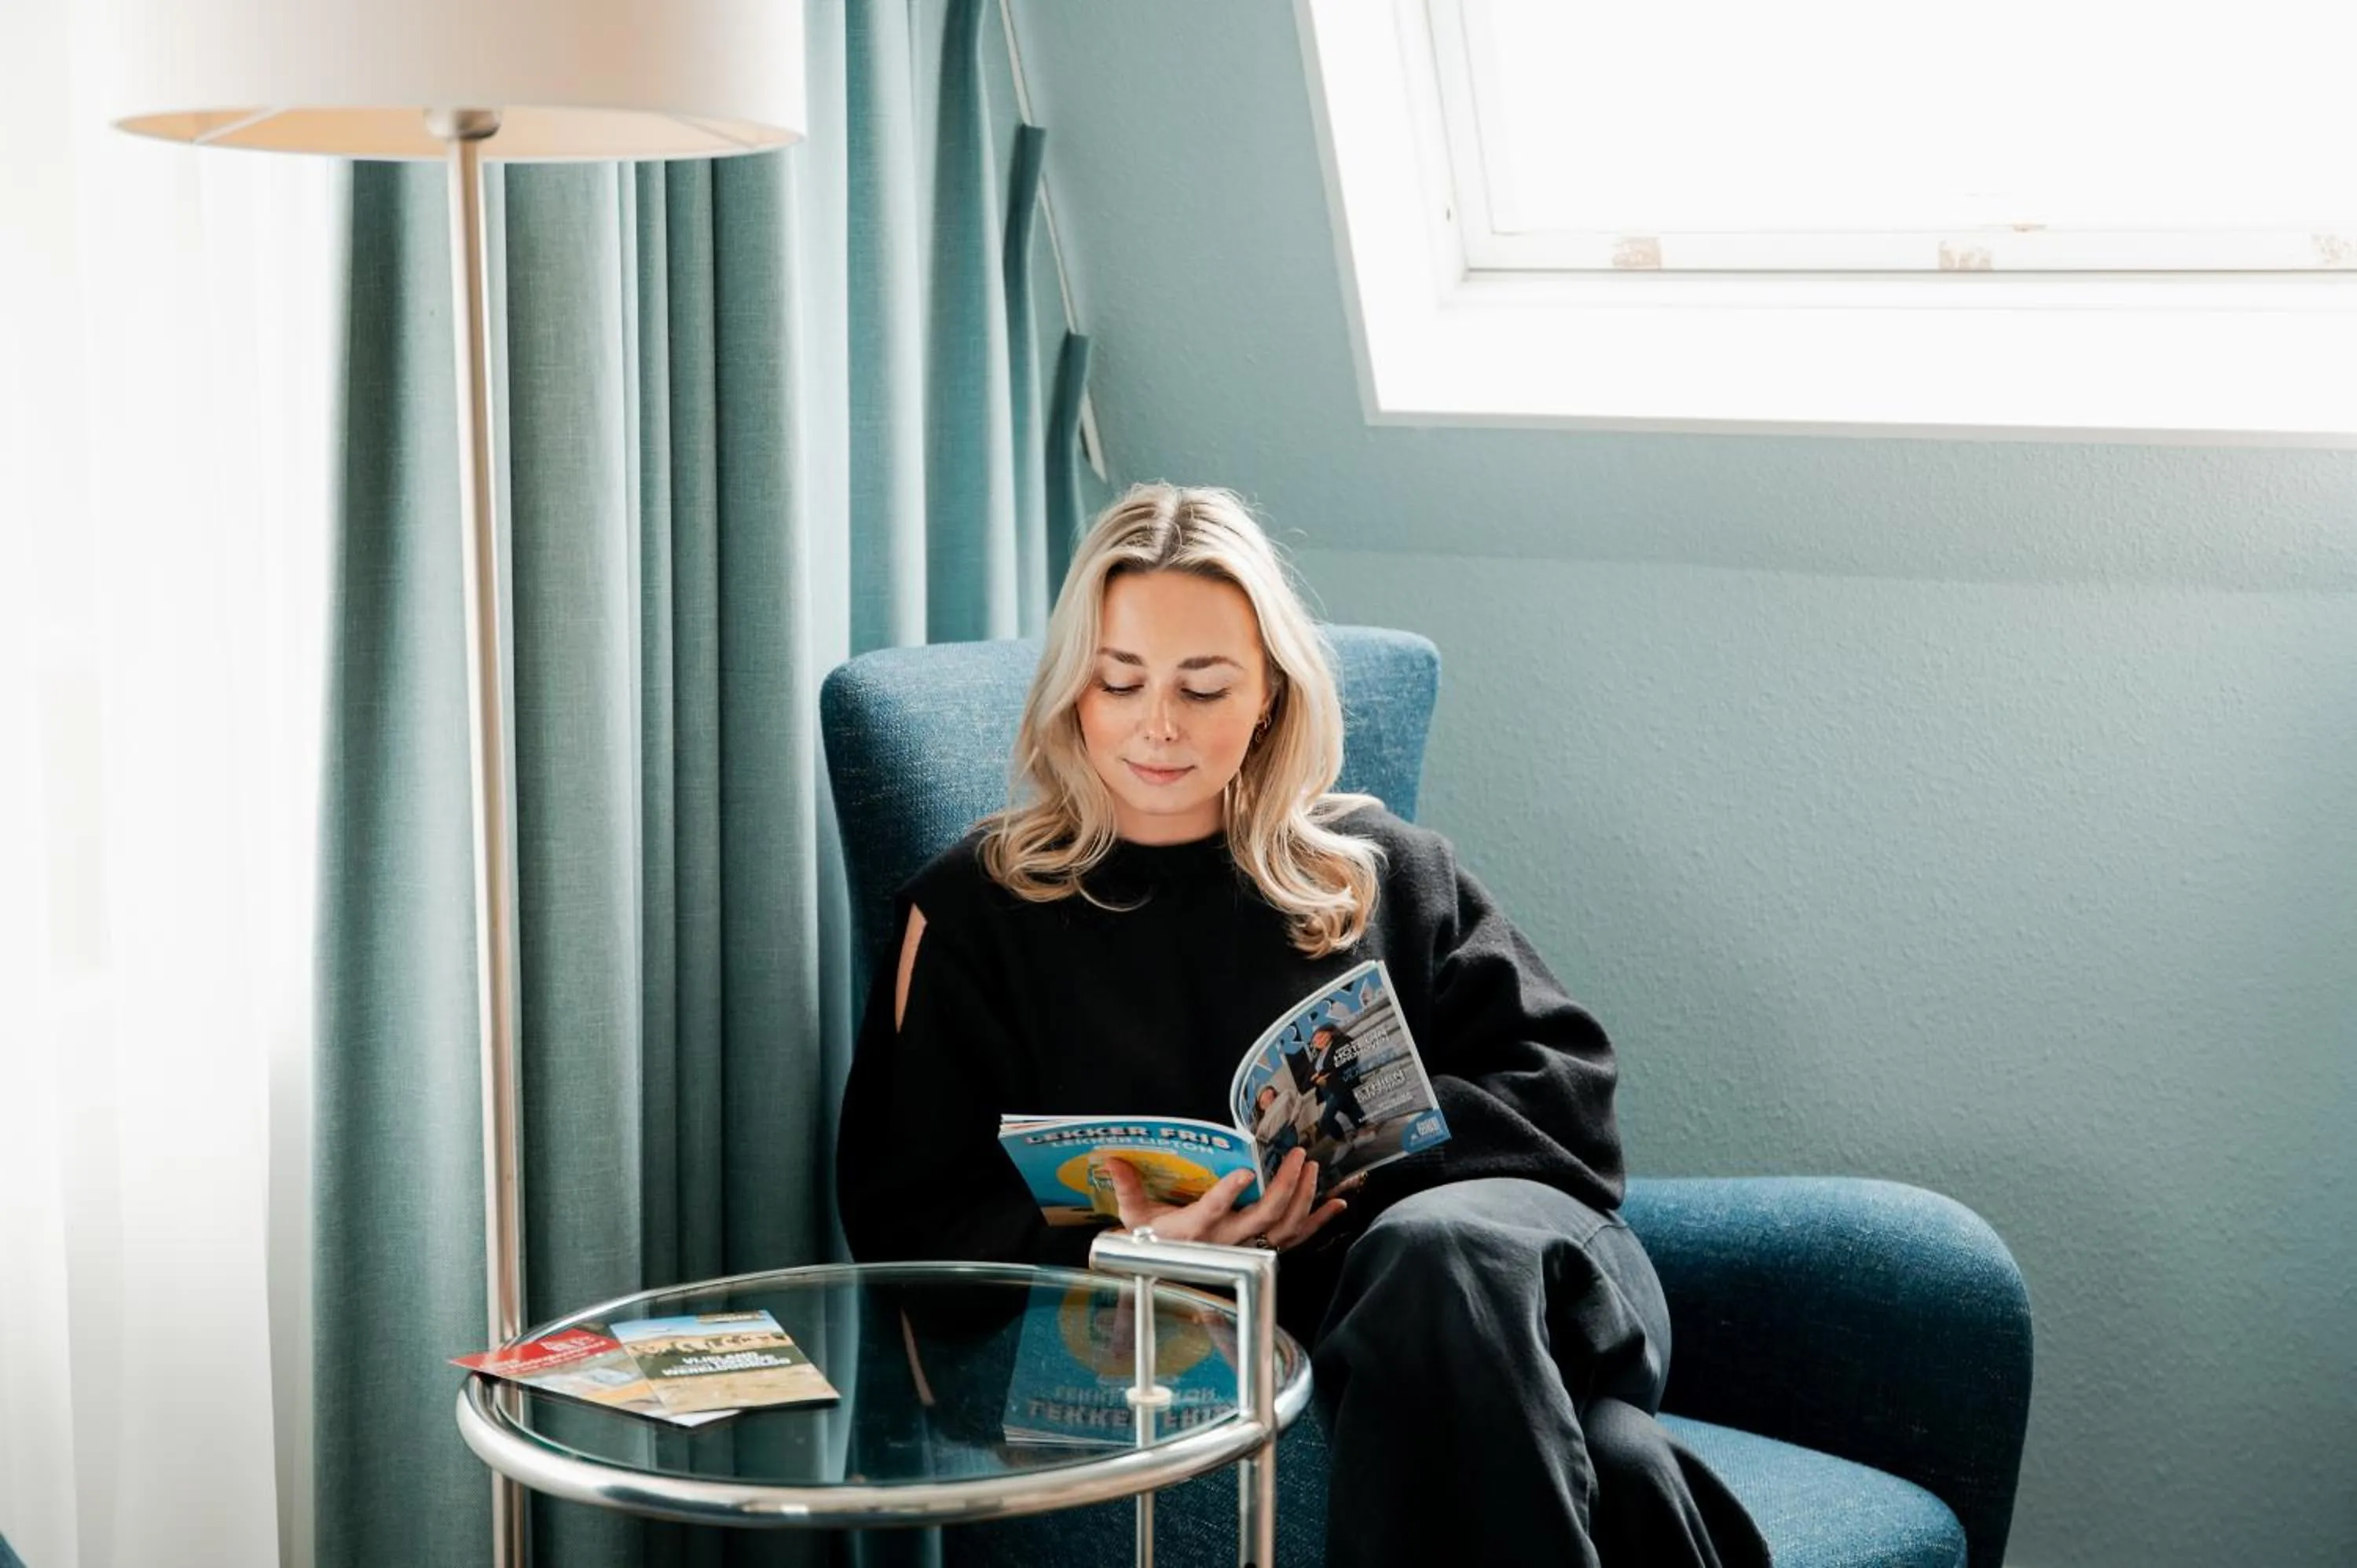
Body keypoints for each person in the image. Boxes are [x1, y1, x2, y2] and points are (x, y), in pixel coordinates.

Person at [835, 484, 1769, 1567]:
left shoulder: (1377, 869)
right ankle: (1605, 1456)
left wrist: (1342, 1187)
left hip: (1506, 1286)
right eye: (1120, 679)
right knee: (1619, 1464)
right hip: (1291, 1343)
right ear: (1072, 691)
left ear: (1271, 695)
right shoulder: (974, 910)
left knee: (1438, 1254)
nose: (1158, 724)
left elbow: (1568, 1098)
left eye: (1205, 684)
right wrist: (1119, 1248)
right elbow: (905, 1214)